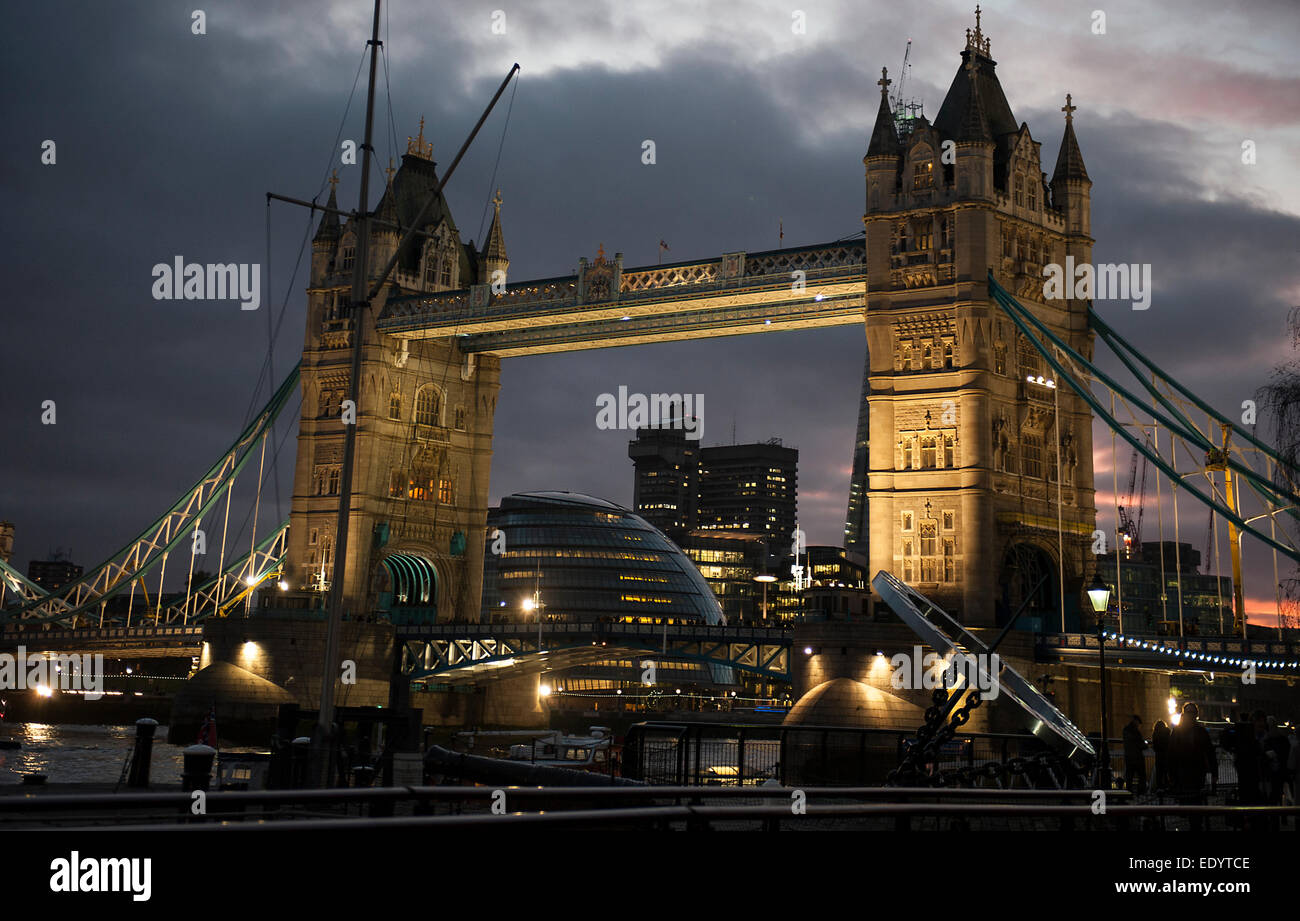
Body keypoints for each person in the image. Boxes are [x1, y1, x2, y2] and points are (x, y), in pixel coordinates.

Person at [1168, 702, 1215, 831]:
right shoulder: (1184, 731)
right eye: (1189, 713)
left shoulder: (1185, 731)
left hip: (1195, 773)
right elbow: (1171, 754)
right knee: (1192, 804)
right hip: (1185, 772)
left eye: (1192, 713)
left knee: (1192, 804)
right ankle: (1194, 823)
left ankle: (1194, 824)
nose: (1190, 716)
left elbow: (1209, 752)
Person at [1122, 715, 1147, 794]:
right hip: (1137, 757)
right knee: (1141, 775)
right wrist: (1145, 745)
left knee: (1129, 776)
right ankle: (1141, 791)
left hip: (1129, 757)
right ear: (1136, 721)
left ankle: (1129, 791)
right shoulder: (1136, 732)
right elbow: (1139, 744)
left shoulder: (1126, 730)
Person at [1151, 719, 1171, 793]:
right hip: (1166, 755)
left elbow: (1155, 746)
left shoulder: (1155, 733)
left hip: (1158, 756)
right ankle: (1167, 786)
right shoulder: (1167, 732)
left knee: (1159, 772)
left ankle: (1159, 787)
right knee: (1166, 772)